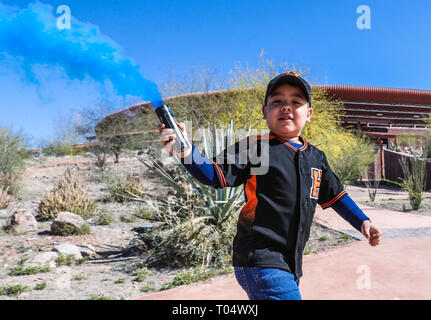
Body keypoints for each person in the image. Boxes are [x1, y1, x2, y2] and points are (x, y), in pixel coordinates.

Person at [157, 71, 383, 300]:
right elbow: (214, 175)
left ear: (309, 114)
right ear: (265, 112)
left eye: (296, 102)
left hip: (290, 264)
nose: (286, 107)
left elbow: (336, 196)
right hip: (260, 259)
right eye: (277, 101)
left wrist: (362, 221)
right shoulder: (256, 147)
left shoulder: (317, 157)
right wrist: (184, 149)